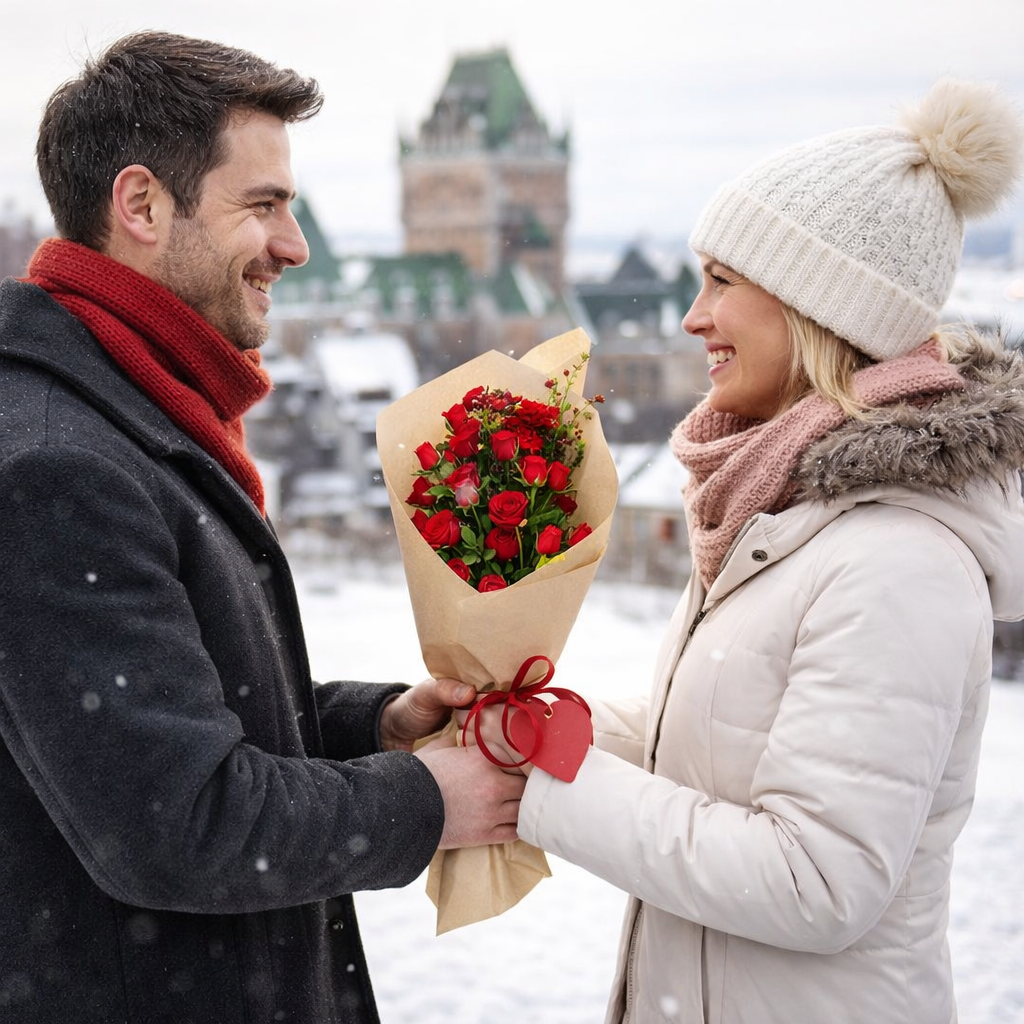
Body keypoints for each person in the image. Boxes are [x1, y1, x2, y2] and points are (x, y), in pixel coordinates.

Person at [470, 78, 1024, 1022]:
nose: (693, 317)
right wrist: (542, 725)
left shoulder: (896, 556)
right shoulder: (785, 503)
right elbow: (727, 732)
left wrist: (545, 788)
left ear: (820, 309)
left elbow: (815, 879)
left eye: (722, 282)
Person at [0, 30, 524, 1024]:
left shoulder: (131, 416)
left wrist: (369, 725)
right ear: (142, 206)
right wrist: (423, 803)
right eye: (263, 205)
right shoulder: (57, 467)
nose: (295, 244)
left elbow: (158, 720)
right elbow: (175, 820)